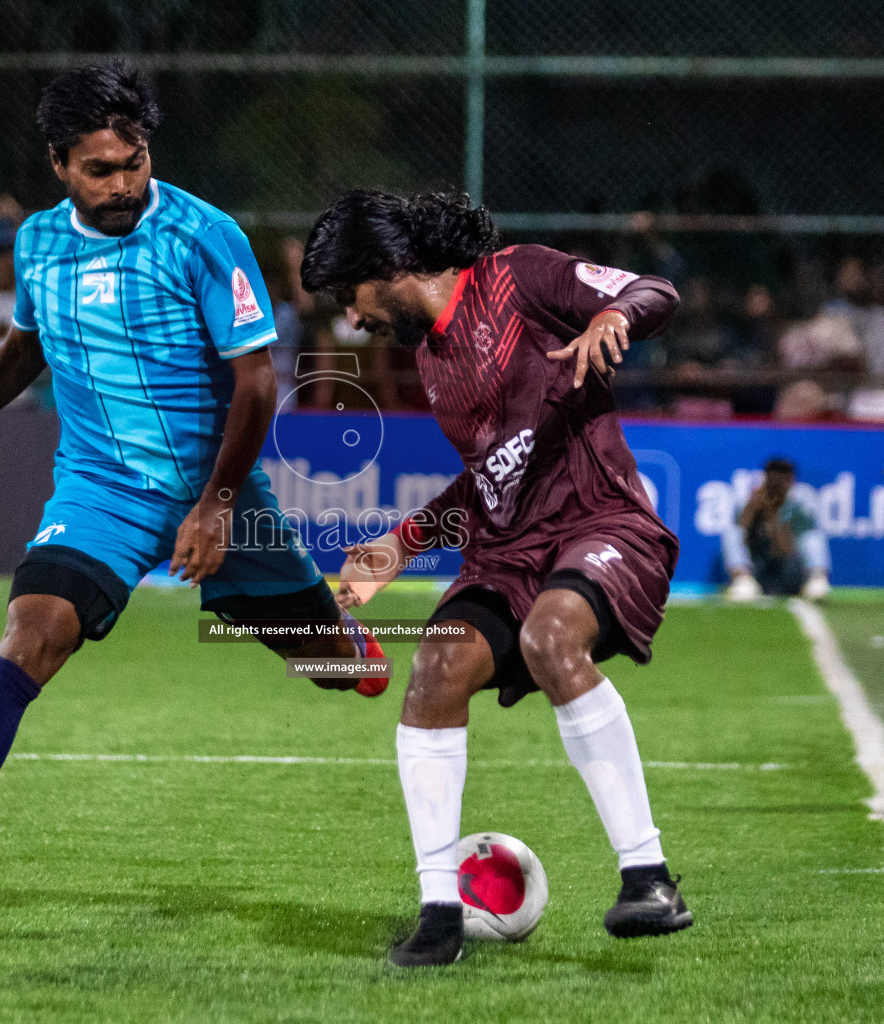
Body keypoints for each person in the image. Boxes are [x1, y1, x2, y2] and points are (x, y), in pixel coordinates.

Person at [0, 59, 385, 933]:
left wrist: (217, 506)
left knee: (340, 669)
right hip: (99, 492)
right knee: (28, 639)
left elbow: (257, 384)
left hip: (215, 486)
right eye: (101, 169)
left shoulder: (204, 235)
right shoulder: (39, 242)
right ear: (59, 164)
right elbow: (22, 356)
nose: (122, 184)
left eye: (134, 161)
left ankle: (344, 640)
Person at [302, 189, 691, 968]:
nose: (351, 319)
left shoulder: (520, 278)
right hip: (509, 553)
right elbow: (489, 481)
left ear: (385, 269)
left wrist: (613, 319)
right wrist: (399, 547)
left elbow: (655, 292)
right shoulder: (432, 360)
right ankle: (440, 915)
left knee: (553, 638)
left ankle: (649, 878)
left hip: (602, 523)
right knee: (435, 671)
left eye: (350, 296)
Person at [721, 458, 831, 601]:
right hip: (758, 572)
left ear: (792, 480)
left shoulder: (798, 509)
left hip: (787, 571)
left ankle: (816, 582)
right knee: (732, 533)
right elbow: (740, 535)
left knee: (813, 537)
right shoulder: (751, 504)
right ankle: (742, 581)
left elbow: (783, 549)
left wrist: (774, 516)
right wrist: (753, 510)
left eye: (783, 478)